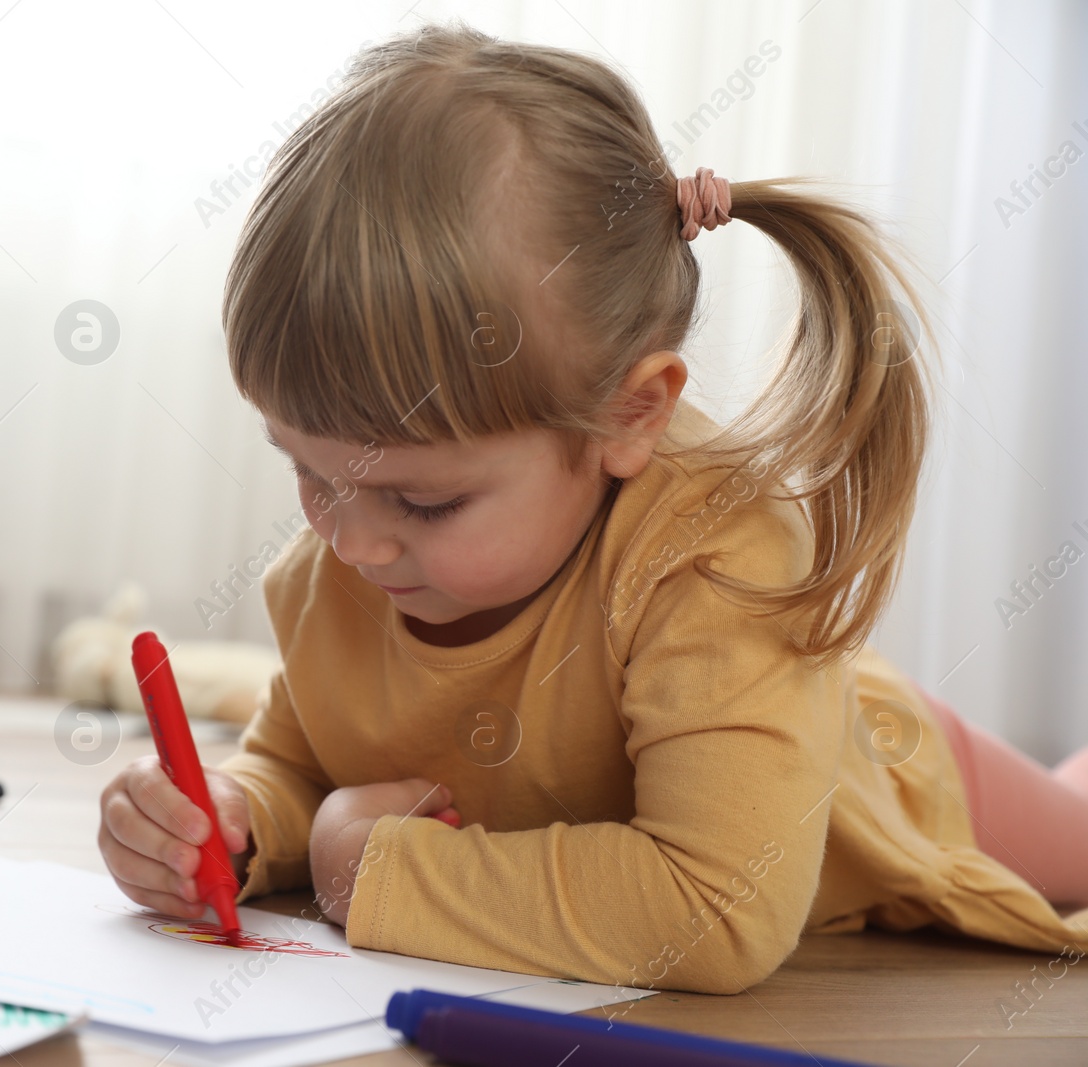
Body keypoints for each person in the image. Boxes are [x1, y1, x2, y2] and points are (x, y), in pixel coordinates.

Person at [98, 22, 1088, 994]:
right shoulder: (344, 564)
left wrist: (366, 867)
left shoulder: (721, 555)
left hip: (881, 773)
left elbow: (714, 908)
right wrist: (225, 817)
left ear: (631, 413)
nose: (345, 538)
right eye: (306, 469)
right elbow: (303, 760)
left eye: (421, 499)